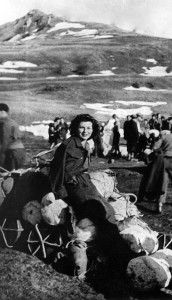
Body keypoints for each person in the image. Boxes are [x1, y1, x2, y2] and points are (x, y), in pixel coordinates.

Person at [49, 114, 127, 277]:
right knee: (102, 214)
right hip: (75, 186)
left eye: (89, 128)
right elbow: (56, 171)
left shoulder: (85, 143)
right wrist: (62, 195)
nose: (85, 131)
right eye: (82, 127)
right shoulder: (67, 145)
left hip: (85, 182)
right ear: (75, 128)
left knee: (108, 212)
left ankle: (115, 253)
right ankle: (117, 257)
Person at [0, 103, 25, 171]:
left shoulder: (5, 124)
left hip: (13, 153)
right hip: (19, 151)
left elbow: (5, 140)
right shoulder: (12, 122)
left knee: (10, 175)